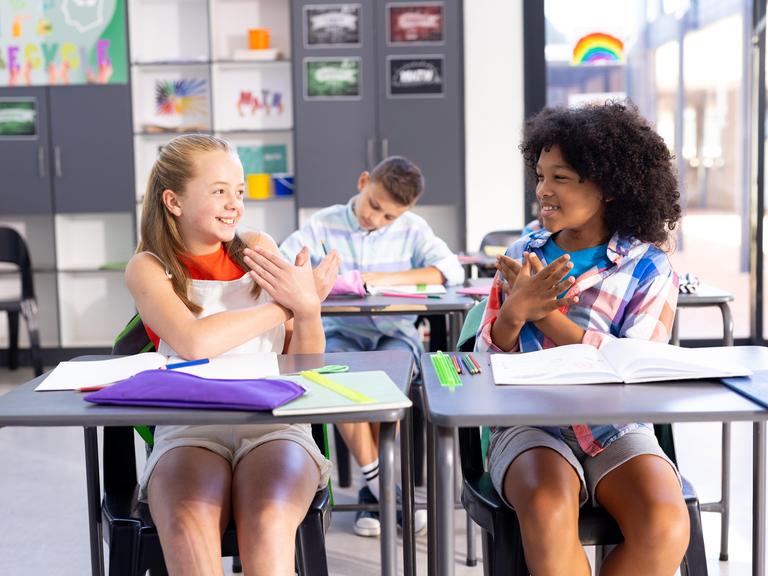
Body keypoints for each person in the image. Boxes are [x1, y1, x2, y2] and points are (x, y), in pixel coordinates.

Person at [477, 101, 689, 575]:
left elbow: (635, 366)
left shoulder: (648, 267)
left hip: (615, 427)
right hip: (529, 424)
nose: (543, 191)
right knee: (549, 507)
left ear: (610, 187)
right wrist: (512, 315)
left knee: (665, 524)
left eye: (561, 178)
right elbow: (483, 364)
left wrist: (545, 316)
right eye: (540, 176)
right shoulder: (520, 254)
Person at [125, 134, 340, 576]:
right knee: (189, 524)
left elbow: (307, 362)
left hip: (274, 424)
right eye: (219, 191)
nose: (234, 205)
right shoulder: (148, 266)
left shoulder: (257, 247)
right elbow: (195, 342)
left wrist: (309, 311)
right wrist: (287, 304)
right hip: (189, 429)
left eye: (238, 192)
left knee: (267, 519)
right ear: (174, 200)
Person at [280, 156, 465, 537]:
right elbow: (285, 264)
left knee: (386, 384)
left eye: (388, 218)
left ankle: (374, 491)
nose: (376, 219)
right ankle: (389, 493)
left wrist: (376, 278)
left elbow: (451, 270)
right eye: (374, 206)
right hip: (341, 330)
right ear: (364, 181)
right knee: (336, 380)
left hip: (395, 331)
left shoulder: (414, 229)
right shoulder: (323, 223)